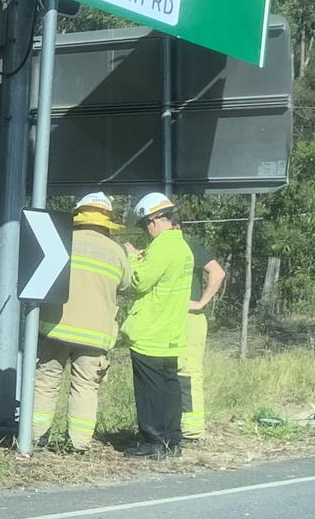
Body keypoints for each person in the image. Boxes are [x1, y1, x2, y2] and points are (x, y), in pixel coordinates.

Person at [31, 192, 132, 453]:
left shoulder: (63, 242)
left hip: (56, 326)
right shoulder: (117, 252)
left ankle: (36, 438)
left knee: (46, 381)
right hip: (96, 334)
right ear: (107, 221)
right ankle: (79, 445)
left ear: (79, 215)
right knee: (86, 387)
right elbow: (125, 284)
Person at [122, 193, 194, 459]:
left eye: (144, 225)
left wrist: (131, 256)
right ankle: (172, 441)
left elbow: (140, 281)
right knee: (170, 388)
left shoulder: (163, 246)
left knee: (149, 392)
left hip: (151, 332)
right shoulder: (182, 247)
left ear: (154, 220)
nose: (146, 230)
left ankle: (153, 442)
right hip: (172, 332)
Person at [174, 217, 226, 441]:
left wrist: (201, 302)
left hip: (190, 319)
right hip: (174, 318)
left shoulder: (190, 247)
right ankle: (179, 424)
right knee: (175, 373)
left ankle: (192, 429)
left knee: (187, 373)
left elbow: (217, 272)